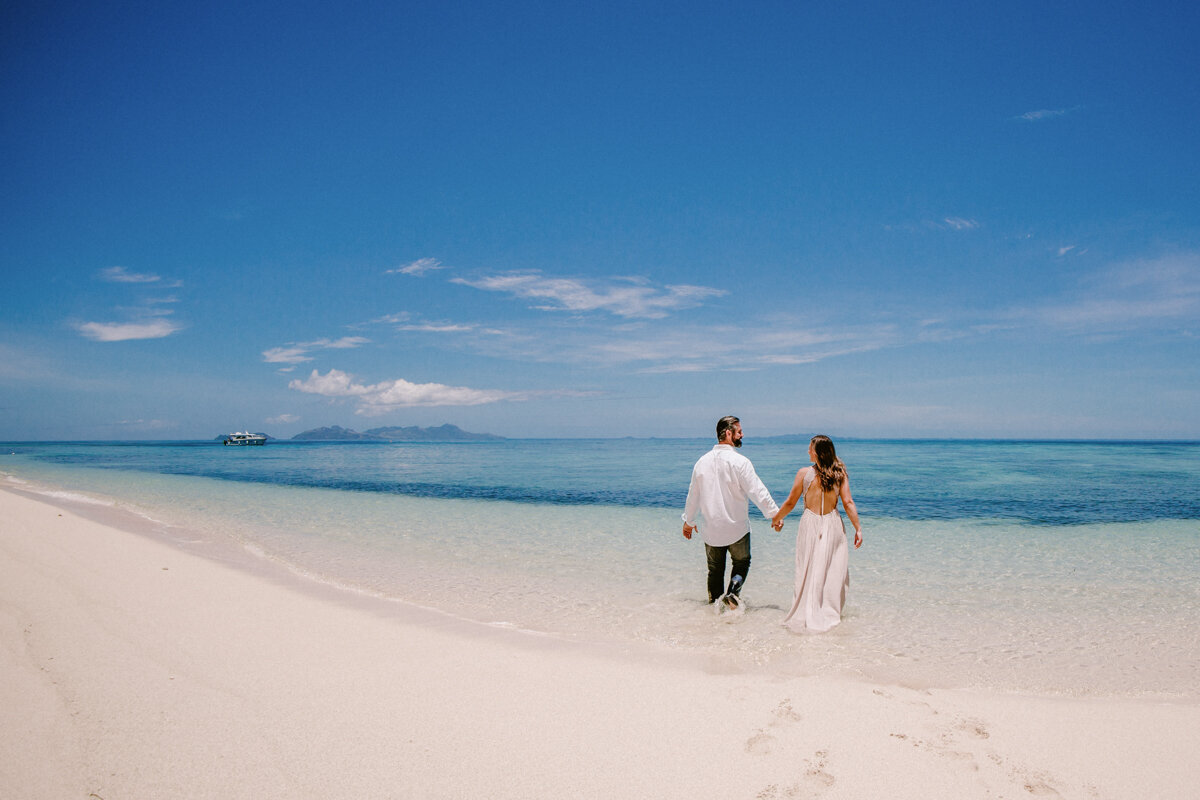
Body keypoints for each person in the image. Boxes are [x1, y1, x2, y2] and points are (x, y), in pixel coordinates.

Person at [682, 416, 780, 610]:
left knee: (714, 571)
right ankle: (733, 594)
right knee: (742, 563)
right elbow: (757, 491)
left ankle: (714, 610)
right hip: (737, 529)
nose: (742, 434)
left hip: (712, 530)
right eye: (739, 431)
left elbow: (693, 495)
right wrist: (774, 514)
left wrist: (689, 521)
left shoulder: (701, 462)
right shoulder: (740, 462)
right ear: (728, 433)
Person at [771, 435, 863, 633]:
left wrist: (776, 518)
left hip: (810, 523)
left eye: (810, 448)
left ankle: (807, 609)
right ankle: (828, 611)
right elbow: (848, 503)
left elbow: (790, 502)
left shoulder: (804, 474)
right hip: (833, 523)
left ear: (818, 452)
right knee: (833, 569)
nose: (807, 451)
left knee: (806, 568)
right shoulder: (840, 473)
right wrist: (858, 528)